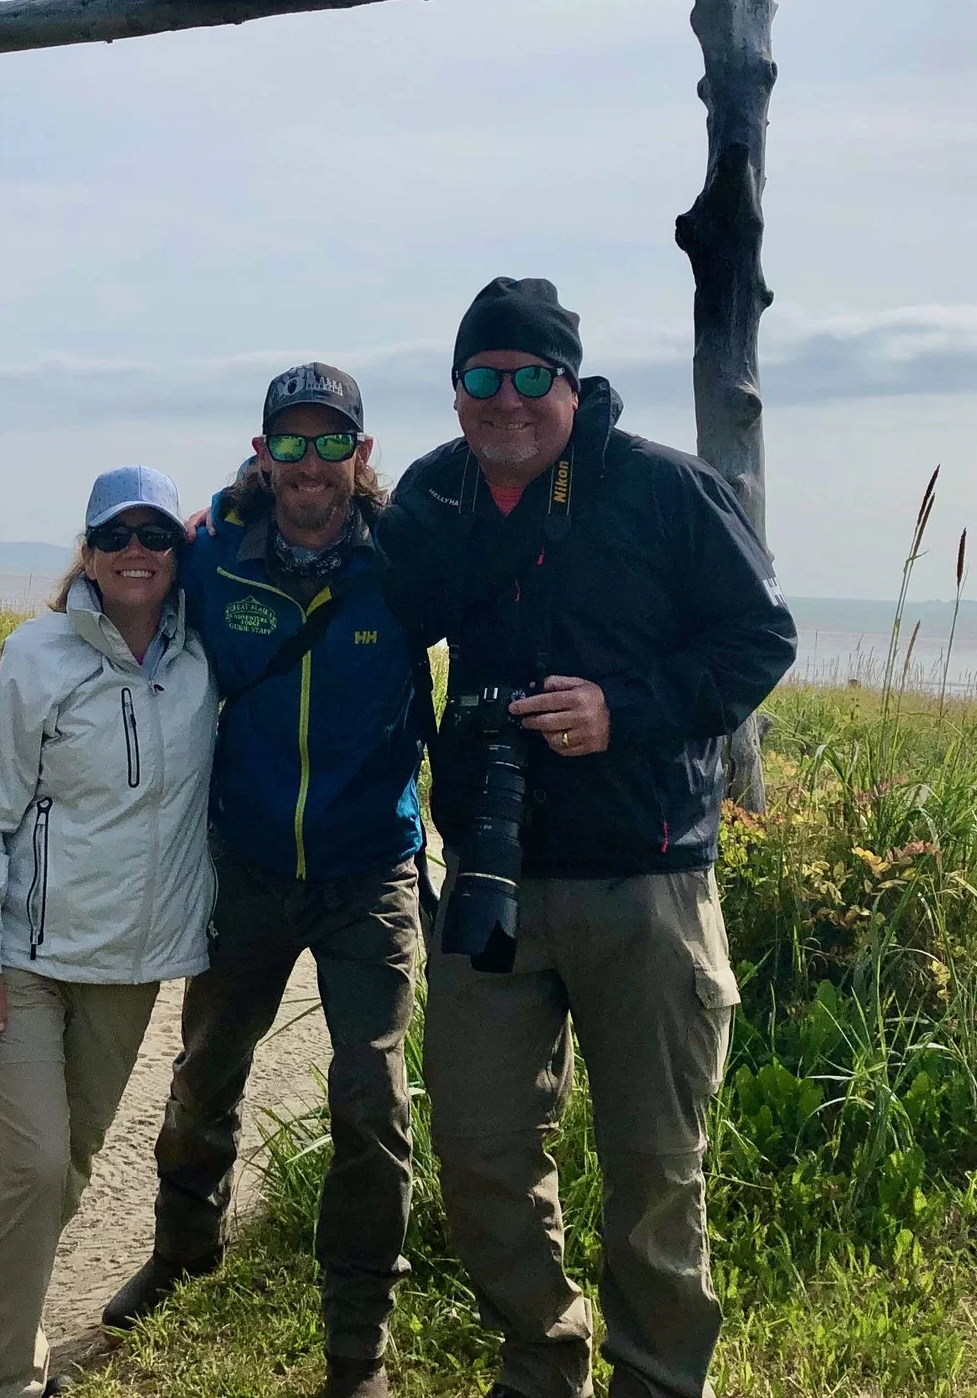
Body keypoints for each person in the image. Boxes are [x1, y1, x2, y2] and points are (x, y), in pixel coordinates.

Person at [375, 278, 797, 1398]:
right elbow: (360, 601)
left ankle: (657, 1380)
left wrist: (624, 709)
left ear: (569, 382)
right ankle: (542, 1355)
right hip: (495, 882)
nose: (504, 398)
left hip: (646, 878)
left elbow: (761, 635)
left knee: (656, 1171)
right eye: (480, 377)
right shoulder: (437, 496)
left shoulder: (661, 490)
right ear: (456, 389)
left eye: (528, 376)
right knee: (475, 1153)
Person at [103, 363, 428, 1398]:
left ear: (360, 457)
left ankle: (356, 1346)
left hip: (368, 868)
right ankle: (184, 1247)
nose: (309, 464)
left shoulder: (407, 563)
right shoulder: (213, 558)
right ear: (262, 455)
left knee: (372, 1098)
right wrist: (50, 646)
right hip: (245, 860)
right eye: (288, 444)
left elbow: (512, 588)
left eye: (330, 443)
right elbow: (124, 586)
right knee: (206, 1065)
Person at [0, 465, 220, 1398]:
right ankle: (0, 1383)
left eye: (156, 537)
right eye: (116, 537)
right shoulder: (36, 655)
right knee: (30, 1162)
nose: (137, 552)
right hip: (22, 959)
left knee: (62, 1172)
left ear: (181, 554)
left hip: (127, 967)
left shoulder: (206, 661)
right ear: (89, 555)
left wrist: (258, 474)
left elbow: (261, 522)